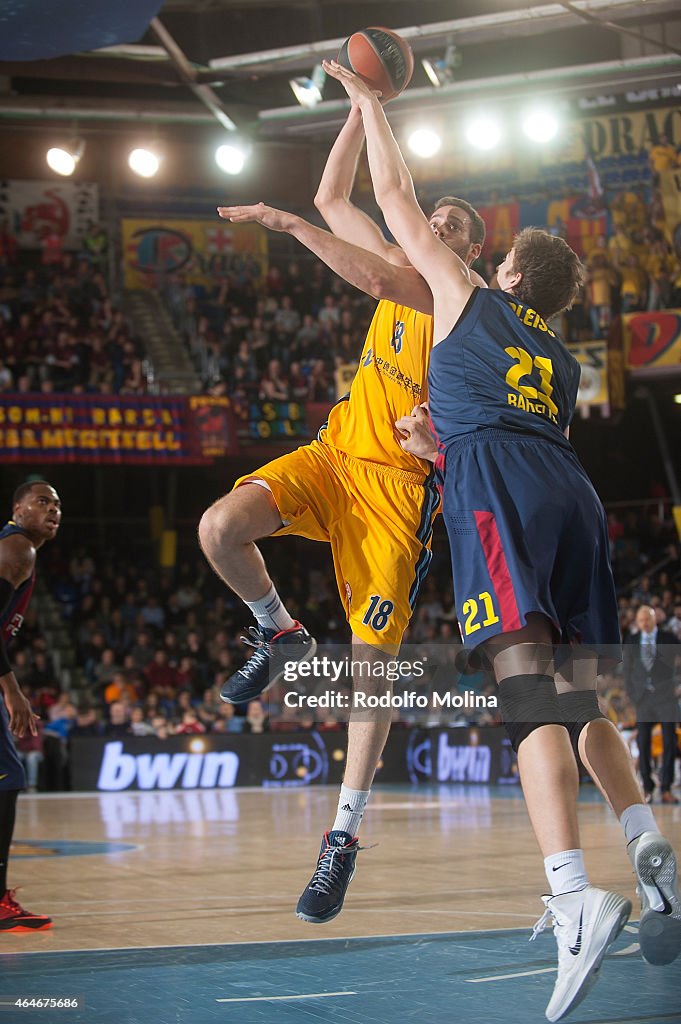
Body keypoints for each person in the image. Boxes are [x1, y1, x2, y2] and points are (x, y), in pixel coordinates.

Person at [322, 58, 681, 1021]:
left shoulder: (465, 296)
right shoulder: (561, 359)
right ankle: (650, 848)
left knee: (522, 691)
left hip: (507, 491)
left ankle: (572, 893)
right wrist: (443, 442)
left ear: (507, 274)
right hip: (570, 491)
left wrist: (367, 103)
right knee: (576, 690)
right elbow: (506, 423)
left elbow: (388, 196)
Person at [201, 105, 486, 925]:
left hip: (395, 497)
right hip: (332, 459)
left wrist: (285, 220)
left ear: (469, 250)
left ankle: (342, 837)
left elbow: (349, 258)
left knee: (373, 670)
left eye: (450, 225)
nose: (432, 225)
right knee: (219, 528)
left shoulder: (455, 297)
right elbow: (334, 195)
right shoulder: (401, 259)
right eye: (429, 217)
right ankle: (280, 630)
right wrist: (358, 106)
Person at [0, 481, 62, 931]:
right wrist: (12, 690)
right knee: (9, 777)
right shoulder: (18, 548)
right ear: (17, 508)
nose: (53, 509)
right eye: (42, 502)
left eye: (57, 505)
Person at [623, 605, 680, 805]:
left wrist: (679, 685)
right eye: (641, 620)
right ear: (637, 623)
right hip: (643, 699)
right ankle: (647, 787)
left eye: (647, 619)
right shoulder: (631, 641)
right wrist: (632, 696)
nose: (644, 623)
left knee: (669, 742)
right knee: (643, 743)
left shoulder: (669, 638)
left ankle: (666, 788)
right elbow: (627, 673)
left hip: (666, 697)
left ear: (654, 619)